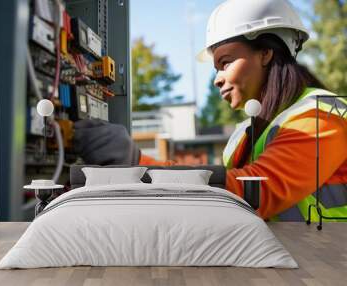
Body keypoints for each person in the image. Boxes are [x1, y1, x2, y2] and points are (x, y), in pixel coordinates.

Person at [74, 0, 347, 222]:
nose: (217, 78)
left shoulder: (320, 116)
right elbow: (212, 182)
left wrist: (136, 165)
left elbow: (255, 192)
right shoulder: (244, 134)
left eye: (225, 63)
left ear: (265, 53)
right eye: (216, 67)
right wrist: (137, 161)